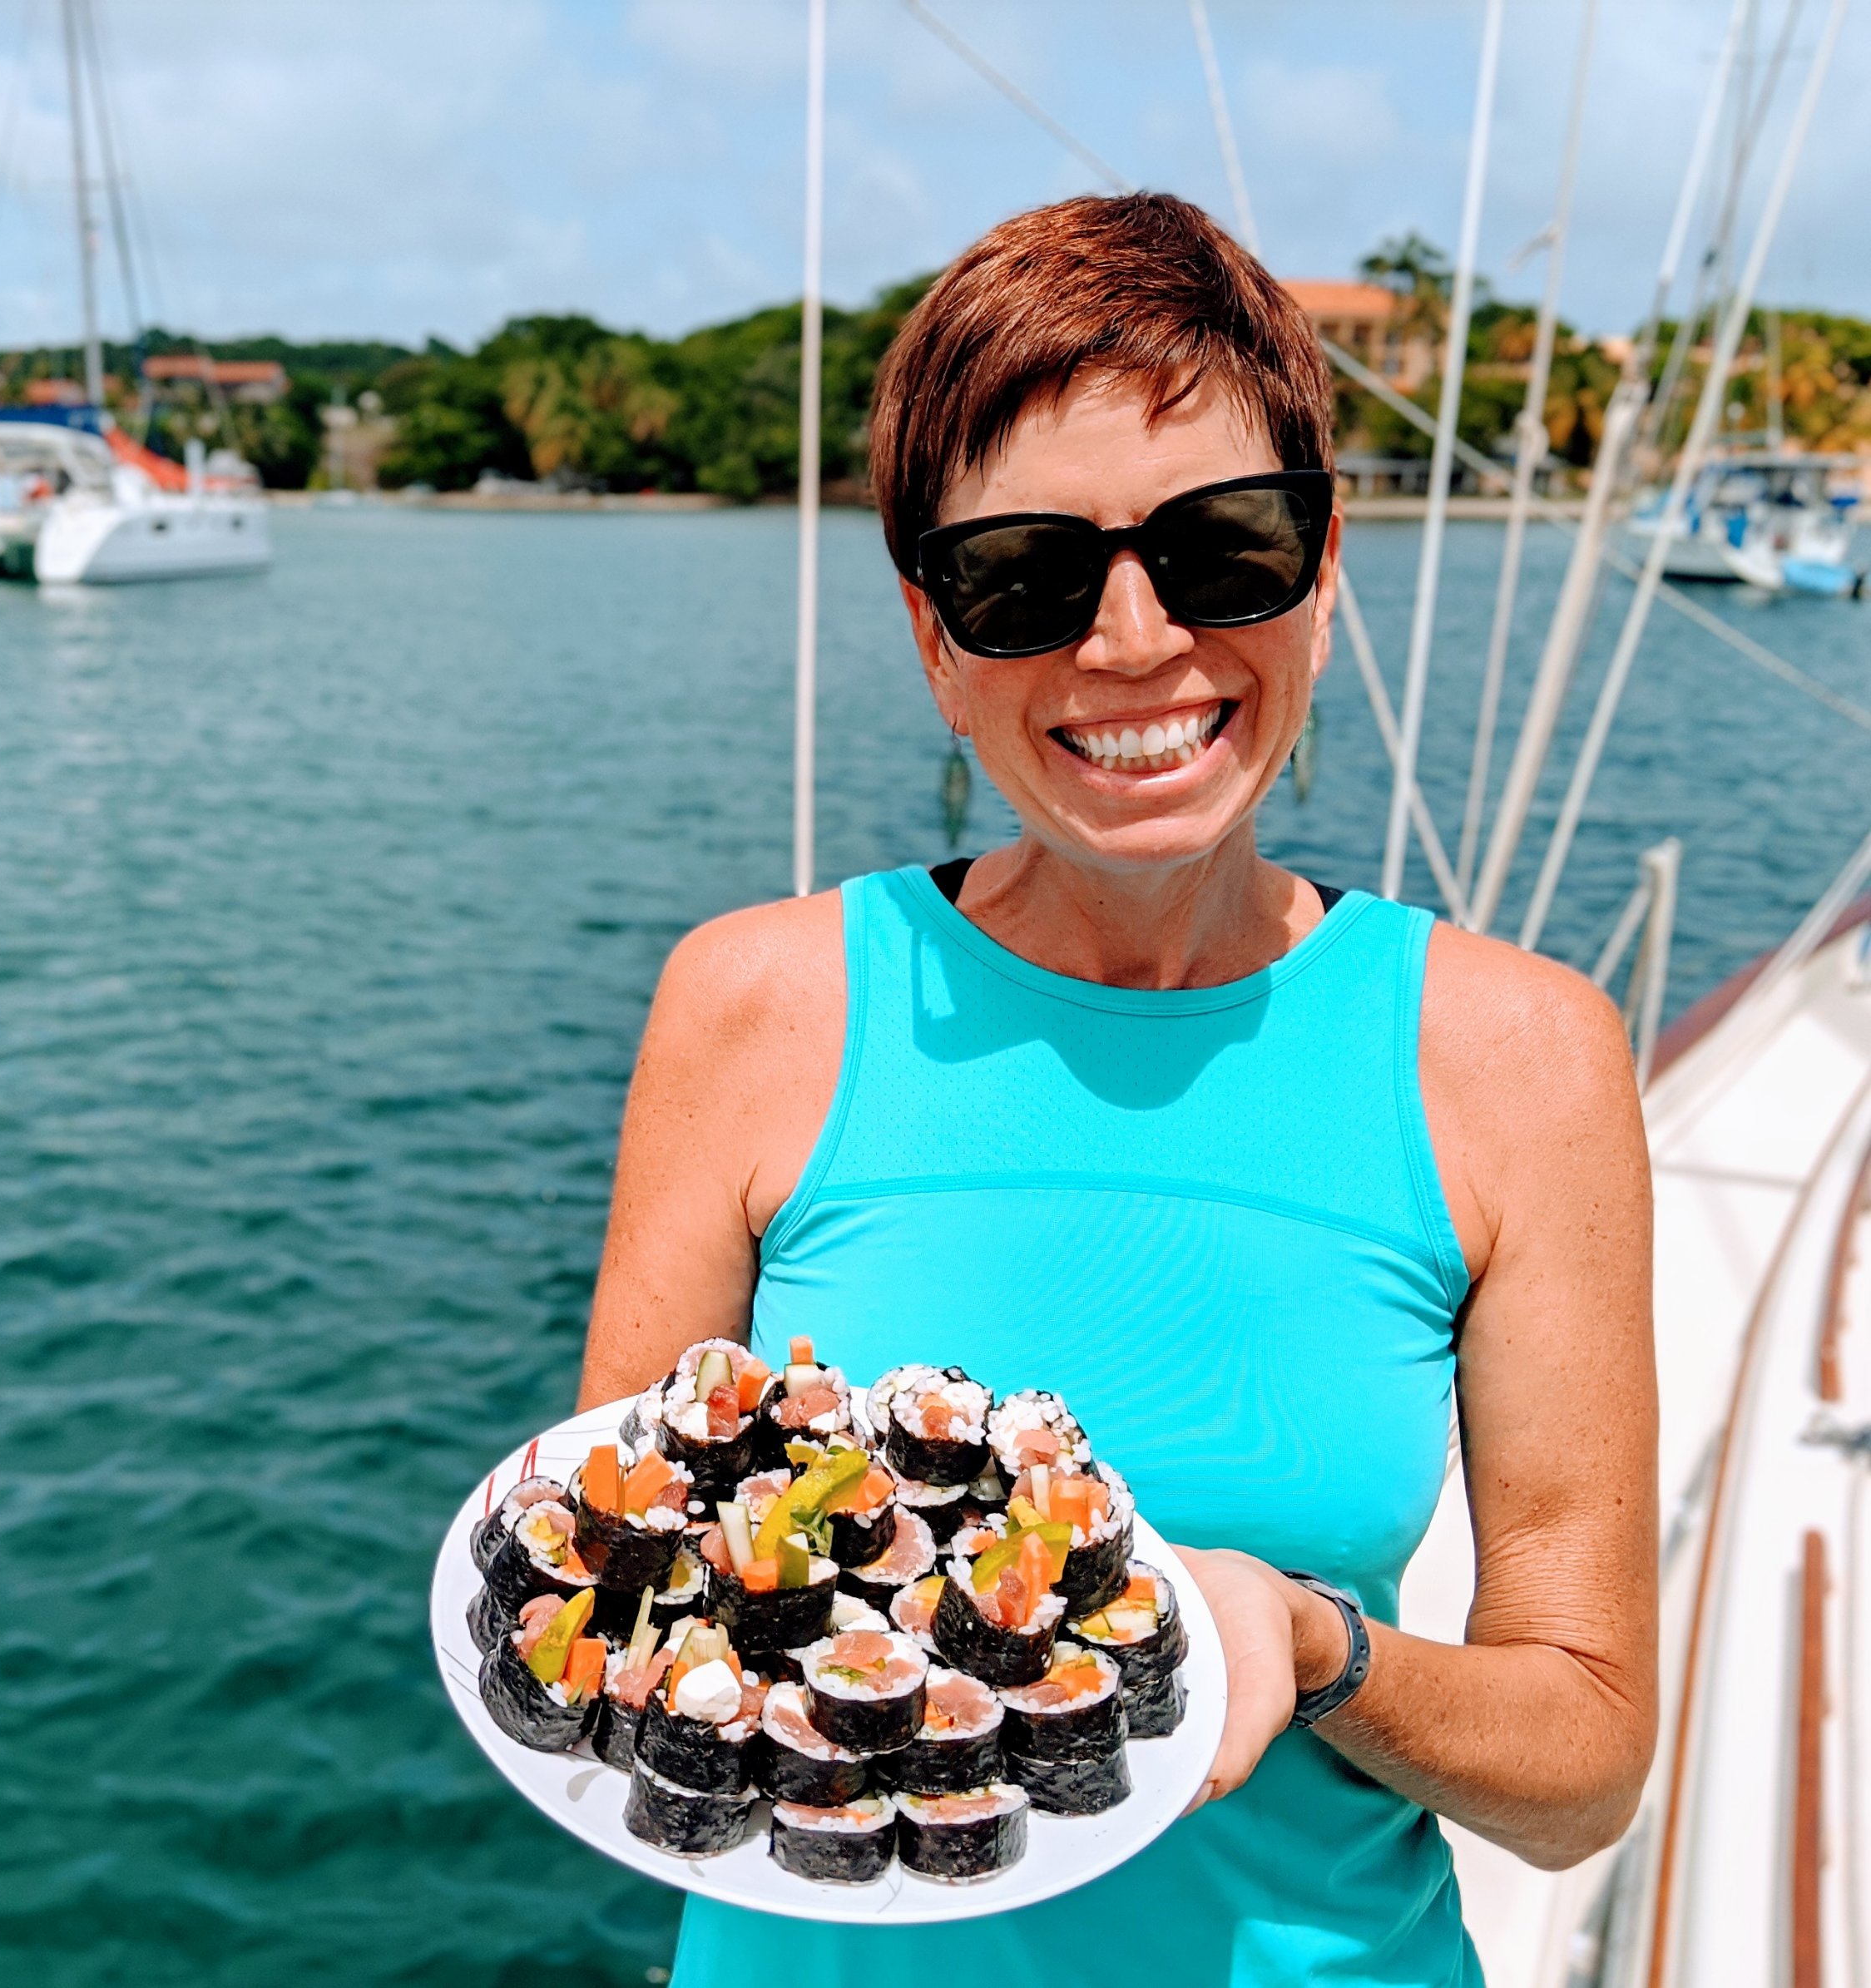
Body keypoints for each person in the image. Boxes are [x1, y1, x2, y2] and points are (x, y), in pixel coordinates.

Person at [576, 194, 1656, 1987]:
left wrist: (1316, 1651)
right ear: (937, 639)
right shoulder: (750, 1008)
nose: (1137, 640)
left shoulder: (1523, 1059)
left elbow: (1584, 1769)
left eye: (1225, 547)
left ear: (1322, 574)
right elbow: (611, 1593)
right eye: (1026, 576)